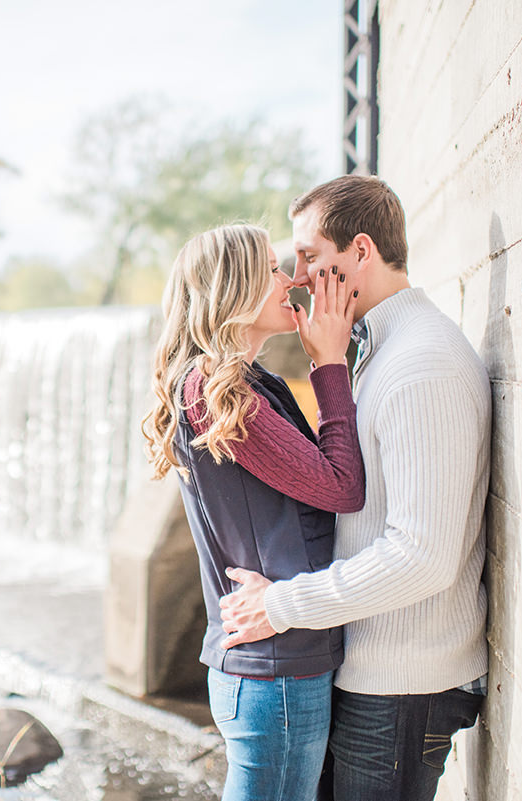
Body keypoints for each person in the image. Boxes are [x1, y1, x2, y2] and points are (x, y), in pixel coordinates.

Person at [218, 175, 491, 801]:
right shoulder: (383, 350)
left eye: (311, 257)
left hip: (403, 688)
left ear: (360, 252)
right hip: (373, 675)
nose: (300, 276)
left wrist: (280, 606)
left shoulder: (423, 364)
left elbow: (422, 556)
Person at [141, 222, 365, 801]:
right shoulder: (218, 391)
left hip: (273, 663)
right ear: (234, 287)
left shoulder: (237, 383)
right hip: (275, 671)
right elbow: (340, 487)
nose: (290, 280)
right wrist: (330, 364)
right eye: (272, 270)